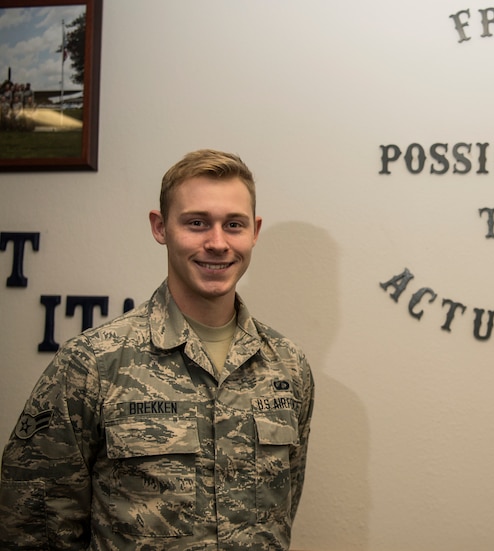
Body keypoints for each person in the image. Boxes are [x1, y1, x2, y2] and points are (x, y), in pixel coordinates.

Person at [0, 149, 315, 550]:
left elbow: (281, 513)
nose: (217, 243)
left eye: (233, 225)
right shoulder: (93, 363)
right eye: (197, 223)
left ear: (253, 231)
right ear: (160, 227)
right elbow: (33, 525)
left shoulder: (287, 366)